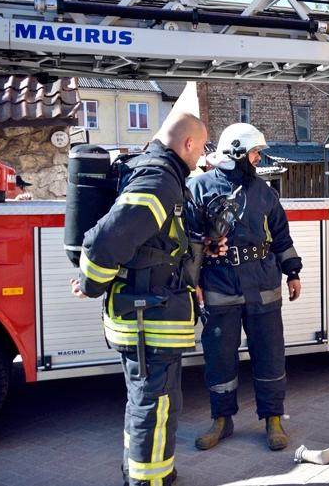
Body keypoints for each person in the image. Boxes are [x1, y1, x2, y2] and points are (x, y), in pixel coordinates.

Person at [70, 112, 210, 486]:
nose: (200, 159)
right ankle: (147, 480)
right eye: (200, 149)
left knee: (148, 401)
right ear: (188, 144)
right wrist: (90, 283)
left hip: (147, 311)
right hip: (148, 318)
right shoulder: (159, 179)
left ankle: (143, 470)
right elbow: (105, 241)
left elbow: (158, 244)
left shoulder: (153, 171)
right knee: (154, 404)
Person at [188, 123, 303, 451]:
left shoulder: (265, 191)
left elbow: (281, 235)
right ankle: (221, 420)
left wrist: (292, 272)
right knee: (219, 358)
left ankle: (273, 419)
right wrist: (192, 283)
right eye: (254, 152)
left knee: (270, 355)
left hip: (263, 283)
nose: (258, 158)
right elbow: (190, 243)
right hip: (218, 284)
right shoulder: (199, 187)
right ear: (237, 153)